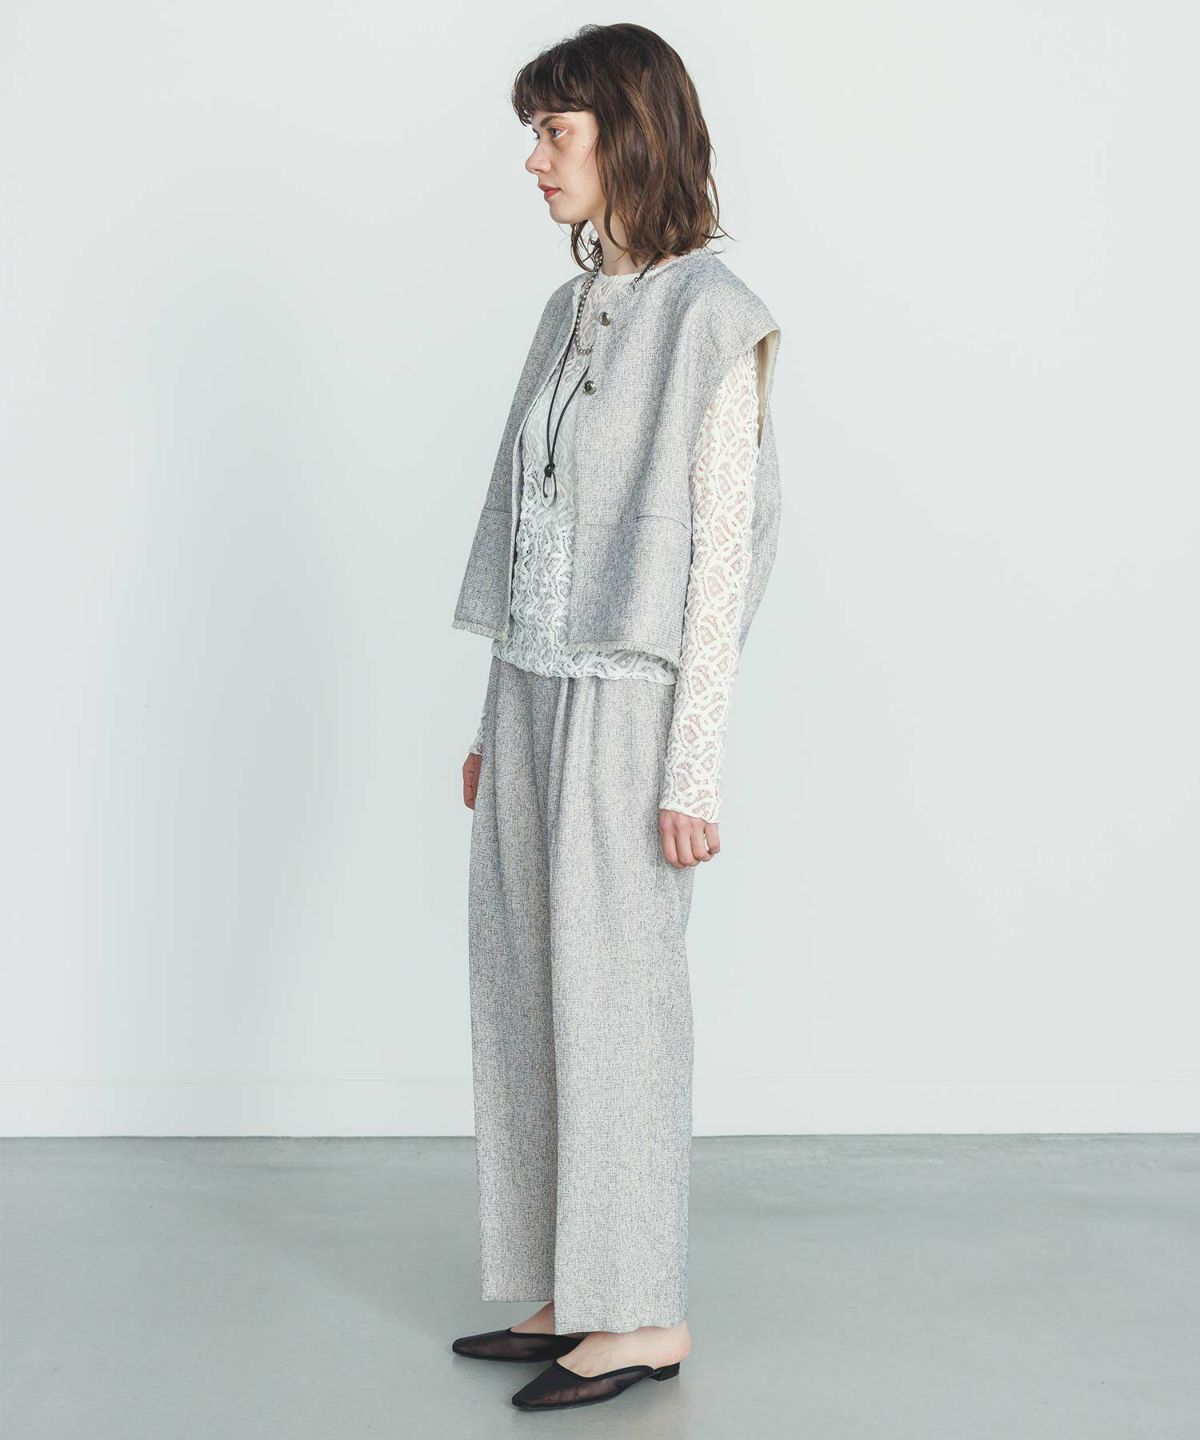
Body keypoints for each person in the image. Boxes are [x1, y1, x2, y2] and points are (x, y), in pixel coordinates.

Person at [448, 22, 783, 1413]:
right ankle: (562, 1285)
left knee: (618, 1004)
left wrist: (691, 765)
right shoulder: (567, 309)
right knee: (526, 985)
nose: (534, 160)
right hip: (533, 686)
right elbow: (534, 527)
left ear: (626, 133)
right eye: (534, 133)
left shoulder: (714, 316)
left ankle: (642, 1313)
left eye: (555, 132)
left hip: (632, 705)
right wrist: (495, 713)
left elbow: (724, 559)